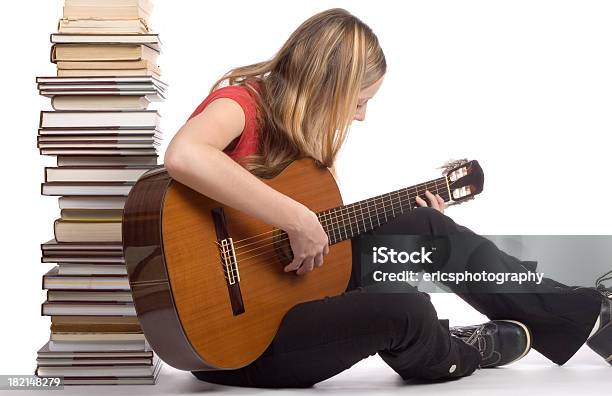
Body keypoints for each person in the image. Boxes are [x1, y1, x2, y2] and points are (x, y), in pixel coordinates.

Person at [163, 8, 610, 389]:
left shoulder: (305, 142)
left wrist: (397, 236)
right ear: (325, 88)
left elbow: (320, 241)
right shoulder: (240, 102)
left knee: (427, 230)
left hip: (293, 299)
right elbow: (184, 155)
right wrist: (297, 219)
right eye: (357, 101)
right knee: (408, 310)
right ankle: (458, 350)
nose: (361, 116)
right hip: (241, 345)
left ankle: (590, 314)